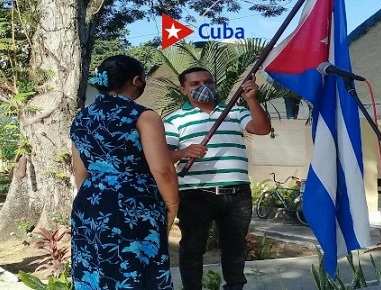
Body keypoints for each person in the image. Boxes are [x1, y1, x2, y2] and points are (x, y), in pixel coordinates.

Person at [70, 55, 179, 289]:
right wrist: (172, 205)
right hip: (133, 204)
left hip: (90, 201)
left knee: (96, 266)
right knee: (134, 268)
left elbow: (80, 170)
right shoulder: (144, 116)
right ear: (137, 80)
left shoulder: (82, 117)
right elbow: (162, 170)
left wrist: (98, 201)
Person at [163, 67, 271, 290]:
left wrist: (252, 100)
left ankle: (234, 286)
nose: (203, 87)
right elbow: (162, 156)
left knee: (235, 247)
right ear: (183, 89)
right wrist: (183, 153)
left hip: (237, 192)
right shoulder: (174, 120)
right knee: (193, 248)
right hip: (195, 194)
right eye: (194, 84)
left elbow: (262, 129)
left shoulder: (234, 111)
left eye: (208, 81)